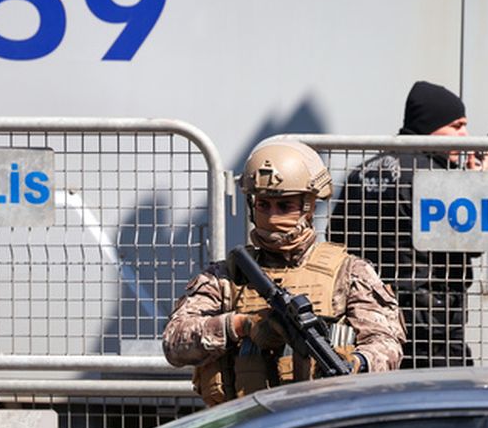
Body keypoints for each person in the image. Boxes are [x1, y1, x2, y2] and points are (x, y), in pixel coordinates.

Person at [163, 140, 406, 407]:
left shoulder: (349, 273)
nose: (272, 216)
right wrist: (241, 325)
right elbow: (175, 343)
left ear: (309, 206)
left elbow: (385, 343)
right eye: (264, 204)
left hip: (323, 417)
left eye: (284, 206)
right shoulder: (225, 277)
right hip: (243, 426)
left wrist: (356, 362)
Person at [329, 81, 488, 369]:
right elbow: (472, 240)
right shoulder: (436, 176)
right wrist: (473, 184)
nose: (465, 135)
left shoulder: (362, 171)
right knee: (443, 401)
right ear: (431, 124)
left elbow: (336, 237)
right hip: (431, 319)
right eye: (457, 125)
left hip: (368, 313)